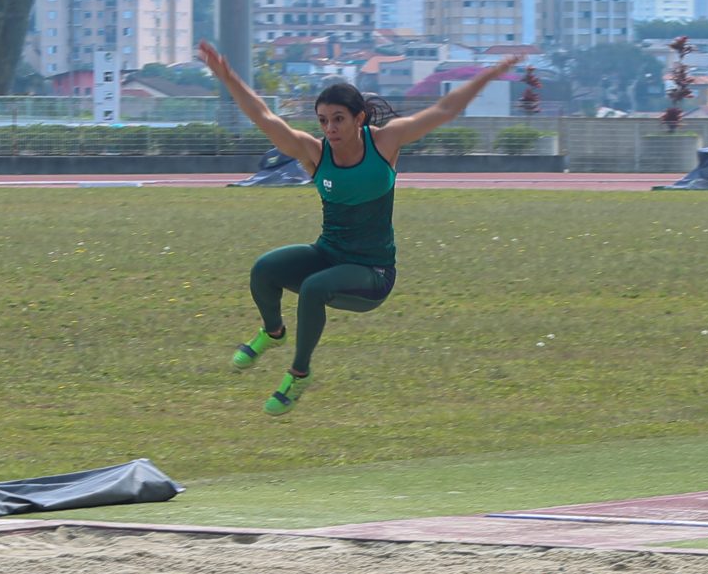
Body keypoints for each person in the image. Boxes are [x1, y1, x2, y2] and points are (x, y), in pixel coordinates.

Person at [197, 40, 520, 415]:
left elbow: (447, 108)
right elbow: (265, 117)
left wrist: (491, 73)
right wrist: (227, 76)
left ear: (359, 118)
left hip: (372, 272)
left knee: (314, 289)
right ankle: (273, 332)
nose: (329, 128)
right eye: (322, 120)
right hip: (328, 255)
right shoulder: (314, 152)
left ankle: (299, 375)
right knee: (264, 269)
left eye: (338, 118)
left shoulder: (386, 142)